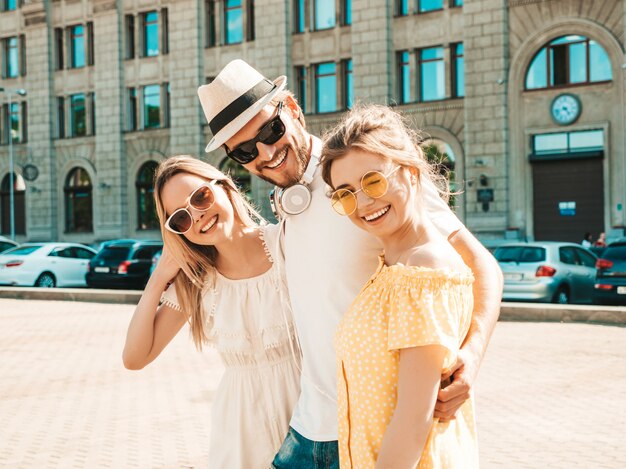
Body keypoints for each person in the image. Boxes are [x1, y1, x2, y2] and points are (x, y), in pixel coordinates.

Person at [197, 59, 503, 468]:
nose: (267, 153)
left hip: (371, 432)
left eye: (271, 130)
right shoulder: (289, 202)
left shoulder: (369, 171)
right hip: (307, 429)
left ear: (292, 107)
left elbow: (481, 265)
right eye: (246, 151)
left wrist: (472, 355)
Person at [321, 104, 478, 467]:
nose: (362, 202)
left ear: (409, 172)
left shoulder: (423, 270)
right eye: (345, 194)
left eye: (373, 181)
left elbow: (413, 420)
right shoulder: (395, 265)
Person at [122, 155, 301, 468]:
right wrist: (158, 279)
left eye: (200, 196)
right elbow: (135, 357)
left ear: (224, 186)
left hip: (309, 418)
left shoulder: (289, 243)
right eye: (180, 218)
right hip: (241, 436)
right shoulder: (198, 282)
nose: (197, 216)